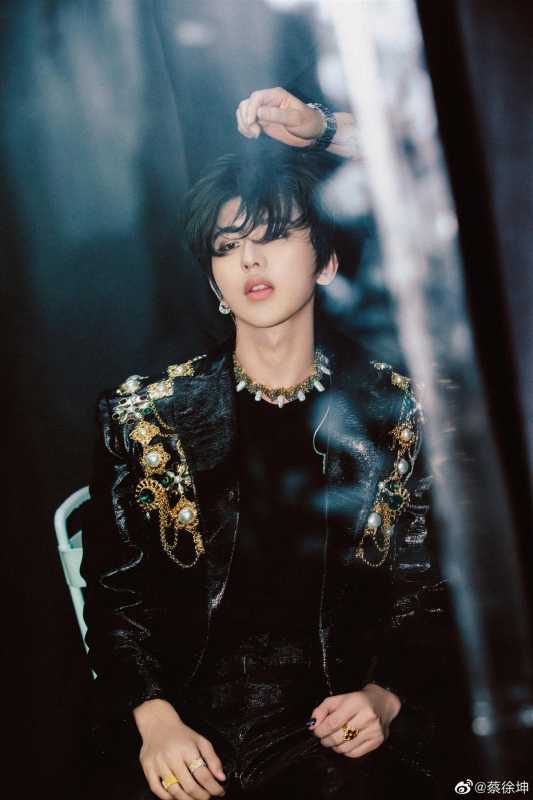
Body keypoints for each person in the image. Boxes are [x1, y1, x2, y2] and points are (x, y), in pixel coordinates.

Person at [81, 88, 456, 799]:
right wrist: (153, 719)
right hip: (186, 729)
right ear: (214, 280)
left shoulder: (403, 411)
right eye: (228, 248)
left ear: (325, 262)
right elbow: (115, 597)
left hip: (342, 729)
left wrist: (385, 696)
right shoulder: (142, 415)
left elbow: (427, 590)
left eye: (275, 236)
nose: (250, 260)